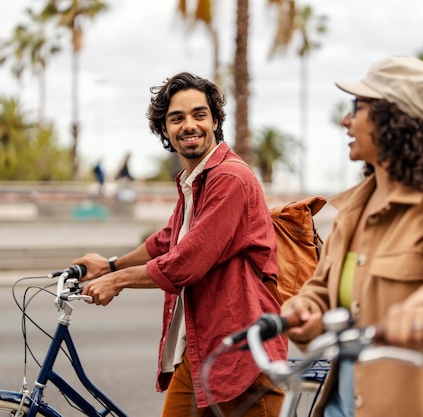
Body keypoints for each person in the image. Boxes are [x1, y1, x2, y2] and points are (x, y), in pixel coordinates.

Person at [281, 56, 423, 417]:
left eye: (358, 107)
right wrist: (306, 308)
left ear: (393, 119)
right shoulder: (352, 210)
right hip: (340, 403)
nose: (345, 119)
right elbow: (323, 289)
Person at [73, 72, 287, 417]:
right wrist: (111, 265)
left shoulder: (230, 178)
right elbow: (165, 241)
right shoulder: (195, 180)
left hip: (244, 356)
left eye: (199, 115)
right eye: (177, 118)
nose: (190, 125)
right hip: (202, 350)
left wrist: (117, 281)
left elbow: (187, 261)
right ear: (164, 130)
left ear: (215, 121)